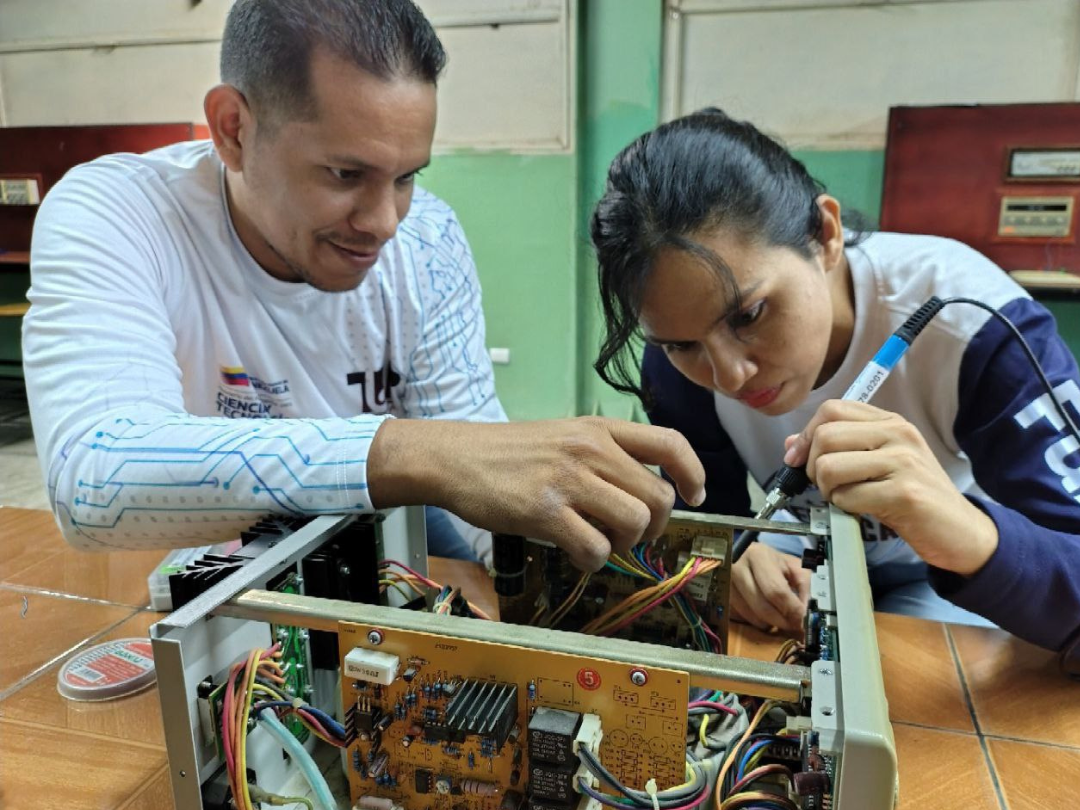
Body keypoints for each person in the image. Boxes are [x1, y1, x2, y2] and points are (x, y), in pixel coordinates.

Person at [21, 0, 705, 574]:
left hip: (383, 547)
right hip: (207, 566)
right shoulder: (118, 213)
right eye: (345, 175)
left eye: (407, 177)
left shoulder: (428, 241)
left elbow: (476, 475)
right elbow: (97, 482)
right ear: (234, 129)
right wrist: (406, 449)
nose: (383, 223)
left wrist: (645, 563)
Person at [589, 107, 1080, 654]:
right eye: (681, 344)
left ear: (824, 234)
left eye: (749, 315)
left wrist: (968, 536)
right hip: (793, 557)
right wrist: (733, 551)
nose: (728, 375)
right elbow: (711, 513)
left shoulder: (980, 329)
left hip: (939, 570)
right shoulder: (674, 357)